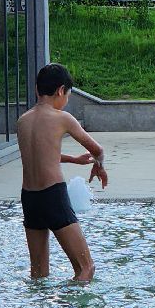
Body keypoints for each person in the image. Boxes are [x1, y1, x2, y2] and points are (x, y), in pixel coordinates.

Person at [15, 63, 108, 282]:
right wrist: (99, 166)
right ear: (60, 91)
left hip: (30, 198)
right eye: (67, 95)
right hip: (53, 196)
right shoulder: (62, 118)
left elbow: (39, 154)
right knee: (86, 267)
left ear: (38, 90)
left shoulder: (23, 121)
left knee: (38, 275)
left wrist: (73, 160)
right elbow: (98, 150)